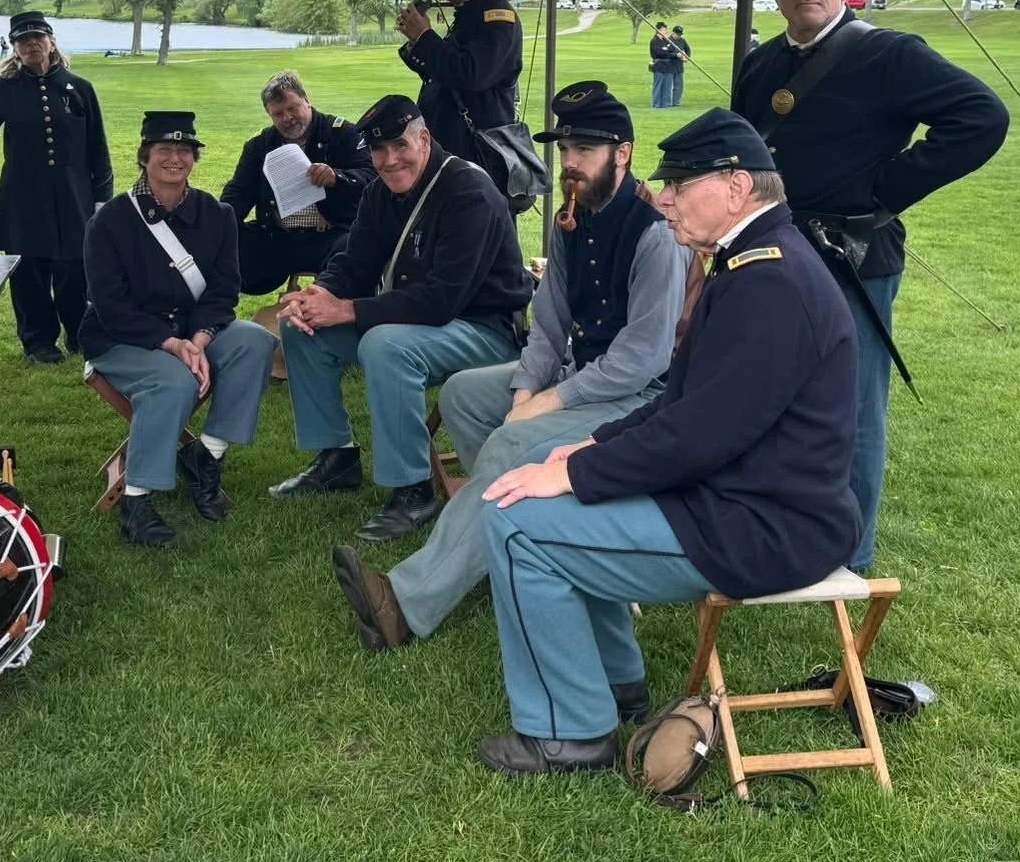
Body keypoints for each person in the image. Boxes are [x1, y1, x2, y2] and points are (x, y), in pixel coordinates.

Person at [471, 108, 861, 774]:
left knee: (514, 522)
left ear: (737, 187)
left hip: (763, 524)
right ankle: (617, 684)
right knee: (542, 482)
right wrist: (588, 450)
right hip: (741, 502)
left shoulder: (769, 281)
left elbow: (700, 436)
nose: (664, 196)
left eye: (680, 183)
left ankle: (571, 733)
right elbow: (686, 405)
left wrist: (578, 475)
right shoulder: (750, 263)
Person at [332, 81, 692, 652]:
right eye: (565, 151)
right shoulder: (571, 222)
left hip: (637, 395)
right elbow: (547, 326)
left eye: (586, 151)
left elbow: (642, 357)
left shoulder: (655, 235)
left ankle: (405, 604)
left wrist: (548, 403)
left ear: (622, 152)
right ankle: (511, 540)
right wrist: (528, 390)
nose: (571, 164)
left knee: (504, 446)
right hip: (575, 376)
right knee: (465, 398)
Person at [733, 0, 1008, 572]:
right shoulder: (762, 63)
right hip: (772, 252)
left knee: (851, 409)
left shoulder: (890, 54)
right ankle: (778, 515)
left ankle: (844, 551)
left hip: (849, 256)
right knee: (768, 389)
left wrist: (883, 189)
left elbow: (982, 118)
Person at [273, 93, 534, 543]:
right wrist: (322, 293)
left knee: (384, 345)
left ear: (425, 139)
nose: (389, 160)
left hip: (485, 329)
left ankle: (413, 489)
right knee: (301, 328)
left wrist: (349, 309)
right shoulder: (379, 192)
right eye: (378, 150)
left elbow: (440, 300)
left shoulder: (469, 192)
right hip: (418, 322)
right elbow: (354, 259)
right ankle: (337, 458)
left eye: (399, 146)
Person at [82, 112, 277, 547]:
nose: (175, 158)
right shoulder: (109, 221)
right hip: (123, 338)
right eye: (164, 150)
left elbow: (224, 290)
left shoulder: (218, 215)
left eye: (184, 150)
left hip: (194, 331)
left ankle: (206, 456)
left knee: (256, 341)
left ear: (194, 158)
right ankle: (137, 502)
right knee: (173, 382)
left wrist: (200, 339)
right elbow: (111, 306)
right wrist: (173, 344)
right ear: (144, 157)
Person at [0, 12, 111, 365]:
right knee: (29, 275)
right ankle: (38, 342)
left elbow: (98, 149)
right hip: (24, 198)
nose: (31, 45)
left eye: (37, 38)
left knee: (75, 272)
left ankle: (79, 333)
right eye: (22, 40)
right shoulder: (4, 89)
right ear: (14, 48)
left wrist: (103, 198)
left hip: (74, 196)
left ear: (51, 41)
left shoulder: (80, 88)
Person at [219, 70, 371, 296]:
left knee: (355, 246)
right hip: (278, 236)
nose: (288, 118)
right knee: (225, 243)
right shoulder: (259, 145)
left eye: (293, 108)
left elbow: (371, 176)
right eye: (278, 114)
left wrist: (336, 178)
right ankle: (214, 315)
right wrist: (218, 221)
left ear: (307, 101)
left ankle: (330, 308)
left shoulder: (342, 133)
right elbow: (239, 192)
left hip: (331, 235)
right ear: (269, 115)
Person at [394, 0, 523, 187]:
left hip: (476, 155)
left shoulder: (498, 19)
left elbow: (469, 74)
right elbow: (443, 71)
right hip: (454, 149)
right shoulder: (472, 13)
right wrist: (415, 41)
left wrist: (424, 36)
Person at [647, 21, 675, 108]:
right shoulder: (654, 41)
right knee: (658, 85)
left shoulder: (666, 40)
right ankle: (656, 103)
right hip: (659, 65)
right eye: (664, 30)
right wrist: (666, 50)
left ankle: (665, 103)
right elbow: (659, 52)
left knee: (667, 85)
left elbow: (672, 48)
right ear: (658, 30)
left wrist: (666, 49)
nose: (665, 32)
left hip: (668, 66)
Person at [669, 25, 692, 106]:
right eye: (677, 34)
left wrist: (687, 57)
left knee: (679, 85)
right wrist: (676, 55)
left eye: (680, 34)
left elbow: (688, 49)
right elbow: (666, 53)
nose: (679, 36)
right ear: (673, 33)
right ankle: (668, 102)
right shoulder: (668, 41)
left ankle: (676, 102)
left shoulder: (682, 41)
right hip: (669, 66)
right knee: (669, 86)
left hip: (679, 66)